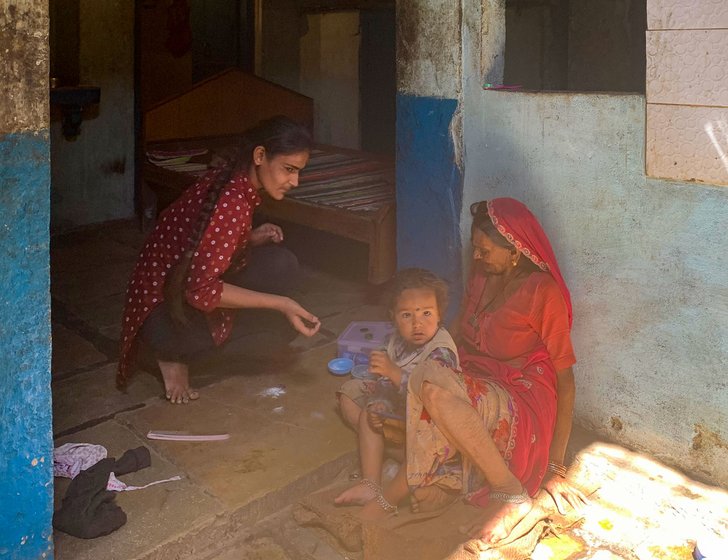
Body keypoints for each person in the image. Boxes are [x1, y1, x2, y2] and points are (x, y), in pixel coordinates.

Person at [367, 198, 586, 544]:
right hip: (477, 376)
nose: (477, 258)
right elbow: (457, 330)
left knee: (432, 391)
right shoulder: (484, 278)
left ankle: (509, 491)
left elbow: (566, 380)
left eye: (484, 250)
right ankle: (437, 481)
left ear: (514, 249)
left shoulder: (543, 292)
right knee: (421, 382)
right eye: (475, 249)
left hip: (522, 394)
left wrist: (556, 467)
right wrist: (428, 361)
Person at [117, 116, 321, 404]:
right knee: (276, 332)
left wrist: (247, 238)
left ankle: (187, 347)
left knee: (281, 265)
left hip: (176, 286)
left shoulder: (233, 178)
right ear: (260, 156)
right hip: (162, 310)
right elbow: (200, 291)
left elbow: (202, 242)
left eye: (299, 172)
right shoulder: (232, 203)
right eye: (288, 170)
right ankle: (169, 354)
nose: (294, 181)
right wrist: (280, 303)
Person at [334, 268, 459, 514]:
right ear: (393, 317)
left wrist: (394, 374)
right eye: (406, 315)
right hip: (399, 415)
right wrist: (381, 404)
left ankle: (414, 464)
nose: (417, 324)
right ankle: (371, 482)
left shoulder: (441, 350)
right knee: (351, 397)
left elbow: (431, 397)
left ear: (440, 314)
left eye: (426, 313)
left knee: (379, 423)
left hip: (431, 425)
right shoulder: (394, 342)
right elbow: (381, 383)